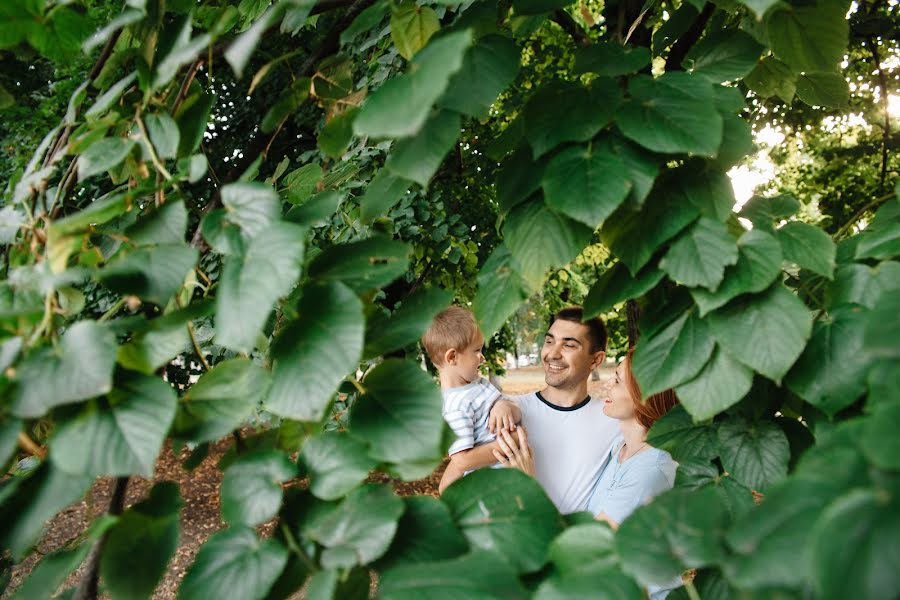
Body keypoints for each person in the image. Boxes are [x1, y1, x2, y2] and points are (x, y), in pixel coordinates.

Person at [494, 348, 682, 598]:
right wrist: (506, 405)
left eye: (617, 380)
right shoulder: (621, 449)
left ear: (645, 395)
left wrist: (528, 485)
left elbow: (582, 554)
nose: (606, 385)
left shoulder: (649, 471)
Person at [487, 307, 619, 514]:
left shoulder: (614, 420)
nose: (552, 354)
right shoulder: (508, 413)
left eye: (568, 345)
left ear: (596, 360)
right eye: (549, 341)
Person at [421, 306, 519, 494]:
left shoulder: (478, 384)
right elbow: (462, 460)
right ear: (452, 357)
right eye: (477, 350)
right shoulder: (455, 407)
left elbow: (516, 409)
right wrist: (510, 443)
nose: (481, 357)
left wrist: (504, 405)